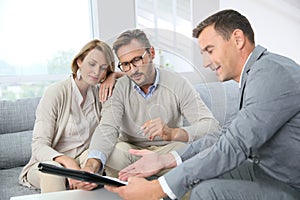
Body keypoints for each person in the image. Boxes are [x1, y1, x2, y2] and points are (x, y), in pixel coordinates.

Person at [105, 9, 300, 200]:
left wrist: (158, 188)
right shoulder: (255, 75)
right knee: (200, 175)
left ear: (237, 39)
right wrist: (168, 159)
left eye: (209, 50)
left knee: (205, 192)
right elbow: (224, 135)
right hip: (266, 172)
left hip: (290, 184)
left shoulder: (271, 73)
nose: (206, 63)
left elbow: (235, 145)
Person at [83, 29, 220, 181]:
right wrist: (91, 166)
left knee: (189, 152)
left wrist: (173, 133)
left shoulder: (177, 83)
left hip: (166, 151)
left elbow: (211, 126)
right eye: (126, 64)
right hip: (131, 151)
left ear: (152, 53)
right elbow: (107, 127)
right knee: (114, 153)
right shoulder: (118, 88)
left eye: (137, 60)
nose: (133, 69)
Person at [19, 39, 123, 193]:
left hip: (83, 162)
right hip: (51, 162)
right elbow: (39, 146)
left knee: (96, 158)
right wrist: (68, 164)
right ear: (79, 61)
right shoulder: (56, 92)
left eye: (103, 68)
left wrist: (113, 75)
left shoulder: (100, 93)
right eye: (92, 64)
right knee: (55, 172)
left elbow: (138, 76)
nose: (97, 72)